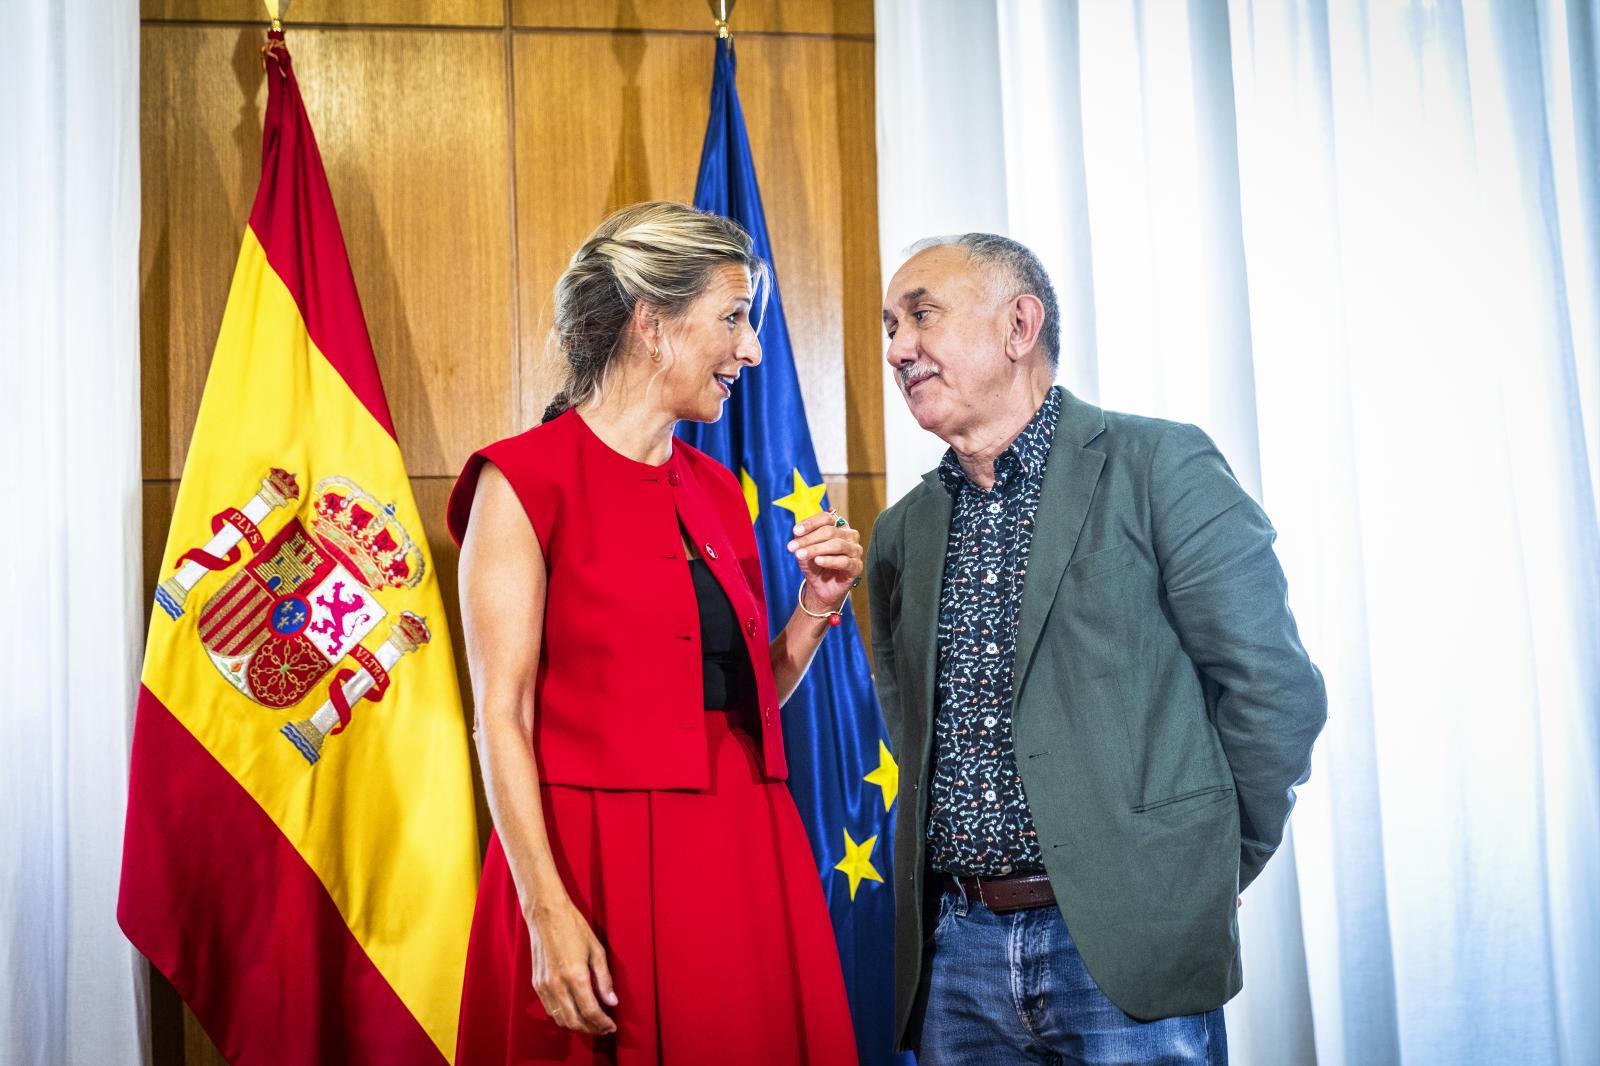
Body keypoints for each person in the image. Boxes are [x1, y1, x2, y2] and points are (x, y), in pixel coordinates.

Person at [867, 234, 1328, 1065]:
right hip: (957, 957)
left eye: (922, 315)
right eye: (890, 326)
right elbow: (910, 724)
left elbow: (1272, 691)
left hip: (1126, 945)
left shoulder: (1159, 464)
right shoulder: (901, 530)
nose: (899, 347)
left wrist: (1196, 875)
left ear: (1019, 325)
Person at [447, 201, 860, 1066]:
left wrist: (814, 612)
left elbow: (736, 698)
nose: (751, 349)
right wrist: (546, 912)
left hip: (743, 855)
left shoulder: (715, 489)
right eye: (735, 317)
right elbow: (502, 718)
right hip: (587, 861)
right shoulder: (520, 481)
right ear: (653, 325)